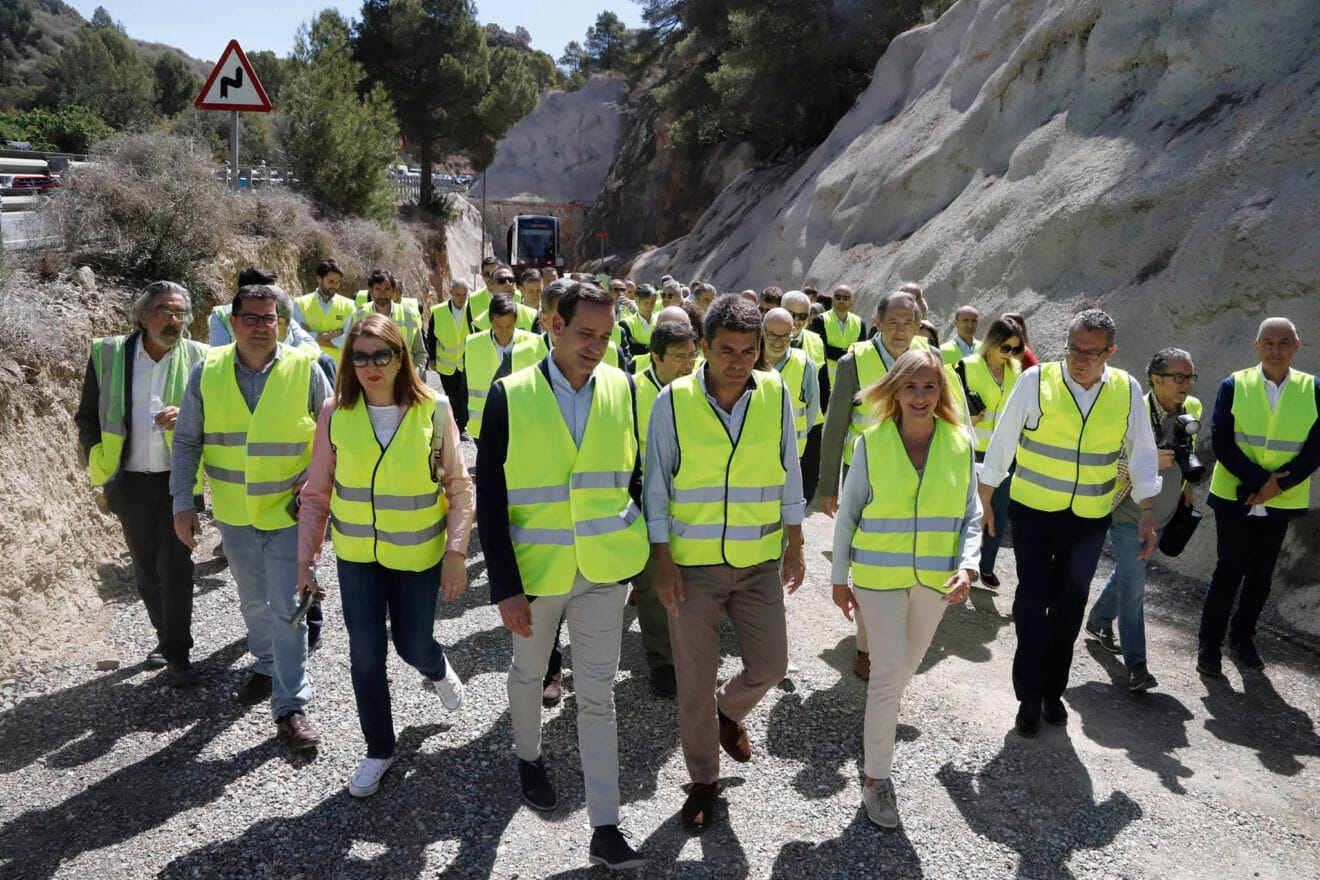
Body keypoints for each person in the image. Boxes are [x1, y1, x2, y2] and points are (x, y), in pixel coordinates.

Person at [477, 282, 649, 870]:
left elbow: (631, 474)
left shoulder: (623, 387)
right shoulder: (509, 394)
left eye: (606, 335)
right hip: (537, 574)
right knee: (529, 674)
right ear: (554, 325)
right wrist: (505, 586)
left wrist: (632, 540)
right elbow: (490, 497)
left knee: (598, 694)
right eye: (585, 334)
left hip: (605, 570)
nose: (596, 345)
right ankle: (529, 757)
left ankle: (606, 825)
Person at [645, 294, 807, 831]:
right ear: (704, 348)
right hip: (691, 567)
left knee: (771, 666)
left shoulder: (775, 393)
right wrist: (662, 560)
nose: (738, 362)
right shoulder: (672, 402)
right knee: (694, 682)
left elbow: (789, 468)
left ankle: (728, 711)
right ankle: (703, 780)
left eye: (748, 350)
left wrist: (796, 540)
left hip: (758, 561)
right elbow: (656, 487)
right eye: (726, 351)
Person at [297, 314, 474, 797]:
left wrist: (456, 552)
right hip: (358, 557)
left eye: (382, 355)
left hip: (417, 556)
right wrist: (306, 560)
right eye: (360, 356)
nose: (370, 366)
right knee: (365, 655)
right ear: (348, 361)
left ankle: (436, 668)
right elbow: (317, 492)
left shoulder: (434, 409)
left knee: (412, 645)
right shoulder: (334, 412)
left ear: (401, 358)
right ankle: (379, 749)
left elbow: (460, 487)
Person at [978, 309, 1160, 737]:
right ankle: (1028, 696)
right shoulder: (1036, 380)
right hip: (1034, 512)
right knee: (1031, 602)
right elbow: (1003, 440)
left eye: (1091, 352)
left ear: (1110, 352)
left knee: (1069, 607)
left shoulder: (1126, 390)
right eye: (1073, 348)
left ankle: (1052, 692)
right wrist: (985, 497)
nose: (1079, 359)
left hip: (1088, 519)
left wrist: (1148, 508)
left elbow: (1142, 453)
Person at [171, 284, 333, 750]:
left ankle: (291, 706)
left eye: (269, 318)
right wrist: (183, 501)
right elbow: (187, 440)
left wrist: (315, 484)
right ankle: (265, 663)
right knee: (252, 602)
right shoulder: (208, 370)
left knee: (288, 607)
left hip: (289, 514)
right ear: (233, 322)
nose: (261, 326)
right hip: (235, 515)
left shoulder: (305, 368)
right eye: (251, 318)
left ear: (281, 323)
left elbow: (332, 436)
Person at [830, 349, 979, 828]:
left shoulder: (959, 441)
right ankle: (877, 778)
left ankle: (874, 745)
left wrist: (969, 566)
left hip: (934, 581)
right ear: (894, 389)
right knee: (888, 675)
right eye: (910, 386)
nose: (919, 396)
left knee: (900, 675)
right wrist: (838, 578)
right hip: (877, 577)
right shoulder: (872, 442)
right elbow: (849, 514)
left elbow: (971, 514)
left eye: (929, 386)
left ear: (941, 392)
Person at [75, 281, 208, 686]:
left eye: (180, 313)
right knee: (147, 569)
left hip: (178, 481)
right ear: (144, 316)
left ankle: (179, 655)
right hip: (129, 483)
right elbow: (87, 416)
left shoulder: (202, 357)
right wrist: (100, 458)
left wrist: (186, 414)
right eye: (166, 311)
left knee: (177, 567)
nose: (174, 320)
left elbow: (219, 416)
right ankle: (165, 638)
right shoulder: (109, 353)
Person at [817, 290, 937, 679]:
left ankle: (897, 634)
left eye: (908, 323)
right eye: (893, 323)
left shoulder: (931, 360)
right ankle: (866, 647)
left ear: (918, 325)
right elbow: (835, 424)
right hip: (864, 474)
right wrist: (827, 485)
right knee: (868, 560)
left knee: (909, 555)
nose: (900, 331)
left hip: (916, 476)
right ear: (878, 323)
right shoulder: (855, 362)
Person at [1197, 318, 1320, 676]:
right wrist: (1259, 481)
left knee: (1261, 573)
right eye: (1268, 342)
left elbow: (1316, 447)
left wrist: (1277, 485)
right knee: (1229, 569)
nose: (1275, 350)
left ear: (1296, 346)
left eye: (1283, 343)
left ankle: (1242, 636)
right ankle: (1208, 645)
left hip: (1281, 497)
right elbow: (1222, 440)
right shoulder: (1234, 385)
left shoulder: (1313, 389)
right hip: (1234, 493)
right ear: (1257, 346)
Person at [1083, 347, 1201, 692]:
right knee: (1134, 589)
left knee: (1128, 572)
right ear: (1156, 379)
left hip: (1164, 515)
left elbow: (1188, 453)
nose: (1185, 384)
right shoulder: (1130, 410)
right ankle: (1137, 666)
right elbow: (1105, 460)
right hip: (1129, 515)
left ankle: (1098, 620)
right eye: (1178, 377)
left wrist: (1187, 490)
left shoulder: (1191, 410)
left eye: (1189, 377)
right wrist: (1146, 463)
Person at [630, 320, 699, 697]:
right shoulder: (632, 390)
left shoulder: (701, 389)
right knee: (653, 583)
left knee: (697, 580)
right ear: (655, 357)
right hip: (647, 502)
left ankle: (692, 650)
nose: (688, 364)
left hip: (695, 504)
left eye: (692, 355)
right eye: (678, 357)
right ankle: (662, 660)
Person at [958, 315, 1026, 588]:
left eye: (1015, 348)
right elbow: (947, 411)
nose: (1010, 353)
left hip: (1006, 455)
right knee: (969, 511)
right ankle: (962, 564)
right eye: (1005, 347)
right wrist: (967, 420)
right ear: (991, 342)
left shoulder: (1018, 372)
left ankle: (985, 565)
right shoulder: (965, 367)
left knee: (1000, 511)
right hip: (972, 452)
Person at [464, 294, 537, 440]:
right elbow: (464, 384)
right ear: (490, 320)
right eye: (499, 326)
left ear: (516, 321)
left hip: (521, 424)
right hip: (484, 424)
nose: (503, 331)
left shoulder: (532, 343)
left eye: (509, 326)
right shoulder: (473, 344)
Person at [762, 307, 821, 479]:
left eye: (784, 336)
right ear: (762, 331)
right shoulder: (748, 361)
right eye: (772, 335)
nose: (778, 342)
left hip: (791, 457)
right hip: (753, 453)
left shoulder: (804, 364)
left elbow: (812, 410)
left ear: (792, 332)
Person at [343, 270, 426, 378]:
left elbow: (420, 352)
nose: (382, 294)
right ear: (371, 291)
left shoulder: (409, 315)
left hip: (402, 379)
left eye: (387, 289)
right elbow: (348, 351)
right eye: (378, 289)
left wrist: (414, 375)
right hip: (370, 379)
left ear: (393, 291)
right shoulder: (359, 316)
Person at [426, 279, 478, 437]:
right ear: (451, 293)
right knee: (452, 396)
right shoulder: (439, 311)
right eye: (458, 294)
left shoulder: (473, 310)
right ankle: (456, 424)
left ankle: (461, 426)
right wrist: (432, 358)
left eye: (464, 295)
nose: (461, 298)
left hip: (466, 363)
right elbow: (431, 337)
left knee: (464, 395)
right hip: (446, 364)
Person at [808, 284, 864, 388]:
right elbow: (822, 350)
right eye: (838, 297)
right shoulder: (820, 320)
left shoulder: (860, 323)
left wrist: (838, 351)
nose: (841, 300)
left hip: (850, 382)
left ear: (852, 301)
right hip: (825, 382)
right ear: (833, 300)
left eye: (846, 298)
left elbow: (861, 351)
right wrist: (849, 352)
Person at [296, 260, 355, 357]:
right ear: (319, 278)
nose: (334, 286)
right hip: (310, 363)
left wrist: (310, 335)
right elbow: (297, 336)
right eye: (331, 281)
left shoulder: (349, 305)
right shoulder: (300, 304)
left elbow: (349, 340)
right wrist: (331, 336)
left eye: (337, 283)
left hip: (336, 364)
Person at [619, 283, 656, 369]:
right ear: (637, 302)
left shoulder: (660, 320)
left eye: (653, 303)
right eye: (646, 303)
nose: (650, 306)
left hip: (656, 368)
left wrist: (640, 346)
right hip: (636, 368)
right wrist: (652, 347)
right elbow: (630, 350)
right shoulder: (625, 324)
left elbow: (664, 348)